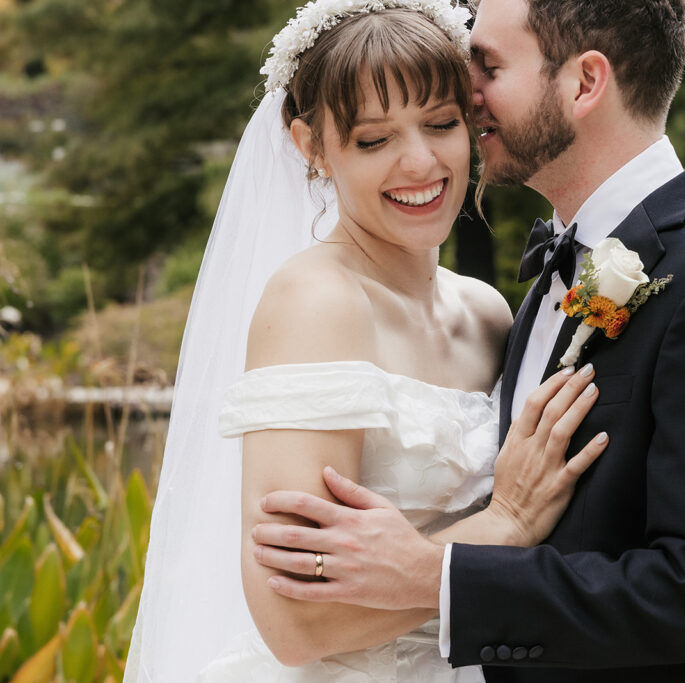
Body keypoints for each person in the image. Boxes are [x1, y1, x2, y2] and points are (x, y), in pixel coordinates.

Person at [254, 0, 685, 681]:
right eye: (375, 138)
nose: (469, 93)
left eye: (487, 66)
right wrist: (498, 528)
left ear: (584, 83)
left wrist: (442, 571)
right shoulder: (543, 282)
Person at [125, 1, 610, 681]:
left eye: (441, 124)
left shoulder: (489, 312)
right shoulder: (315, 304)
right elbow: (295, 624)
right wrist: (501, 527)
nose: (419, 162)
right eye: (373, 140)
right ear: (311, 147)